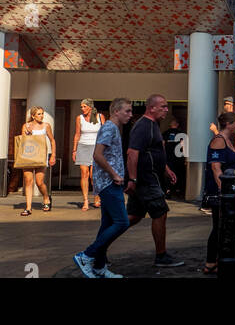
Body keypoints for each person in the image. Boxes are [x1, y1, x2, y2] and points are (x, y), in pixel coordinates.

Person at [73, 97, 135, 279]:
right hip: (109, 183)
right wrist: (115, 174)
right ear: (116, 111)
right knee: (122, 222)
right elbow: (97, 155)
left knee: (108, 224)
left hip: (108, 182)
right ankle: (86, 255)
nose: (130, 115)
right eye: (127, 111)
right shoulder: (109, 128)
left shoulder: (112, 128)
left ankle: (99, 266)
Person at [126, 94, 184, 268]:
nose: (166, 110)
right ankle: (161, 255)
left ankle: (100, 246)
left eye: (166, 107)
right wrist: (132, 179)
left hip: (152, 178)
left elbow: (154, 151)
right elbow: (132, 153)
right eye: (163, 107)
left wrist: (166, 169)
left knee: (133, 217)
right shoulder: (142, 126)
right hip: (145, 179)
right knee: (160, 213)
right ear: (152, 108)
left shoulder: (154, 126)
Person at [202, 110, 235, 275]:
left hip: (231, 191)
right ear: (228, 124)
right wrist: (223, 190)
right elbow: (215, 167)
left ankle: (215, 259)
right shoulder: (218, 141)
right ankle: (212, 261)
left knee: (227, 225)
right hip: (220, 193)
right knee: (222, 226)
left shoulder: (227, 140)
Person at [19, 105, 56, 216]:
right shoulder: (26, 126)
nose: (41, 116)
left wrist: (53, 155)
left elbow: (52, 141)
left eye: (42, 113)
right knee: (28, 181)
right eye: (39, 114)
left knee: (39, 182)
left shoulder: (46, 126)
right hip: (28, 156)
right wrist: (28, 133)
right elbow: (23, 142)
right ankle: (28, 207)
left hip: (41, 156)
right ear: (33, 116)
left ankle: (46, 197)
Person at [72, 99, 102, 211]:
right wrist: (74, 150)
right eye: (81, 107)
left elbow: (104, 133)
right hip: (83, 146)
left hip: (96, 148)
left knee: (93, 175)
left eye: (84, 106)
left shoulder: (100, 117)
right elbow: (77, 134)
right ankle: (85, 200)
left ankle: (96, 197)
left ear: (90, 107)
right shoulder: (79, 118)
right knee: (84, 173)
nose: (82, 109)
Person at [163, 114, 187, 196]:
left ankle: (168, 189)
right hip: (178, 157)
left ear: (170, 124)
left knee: (168, 173)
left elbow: (162, 145)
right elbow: (184, 146)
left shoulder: (165, 133)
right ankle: (178, 190)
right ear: (177, 124)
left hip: (168, 157)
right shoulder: (182, 134)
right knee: (179, 173)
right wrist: (185, 158)